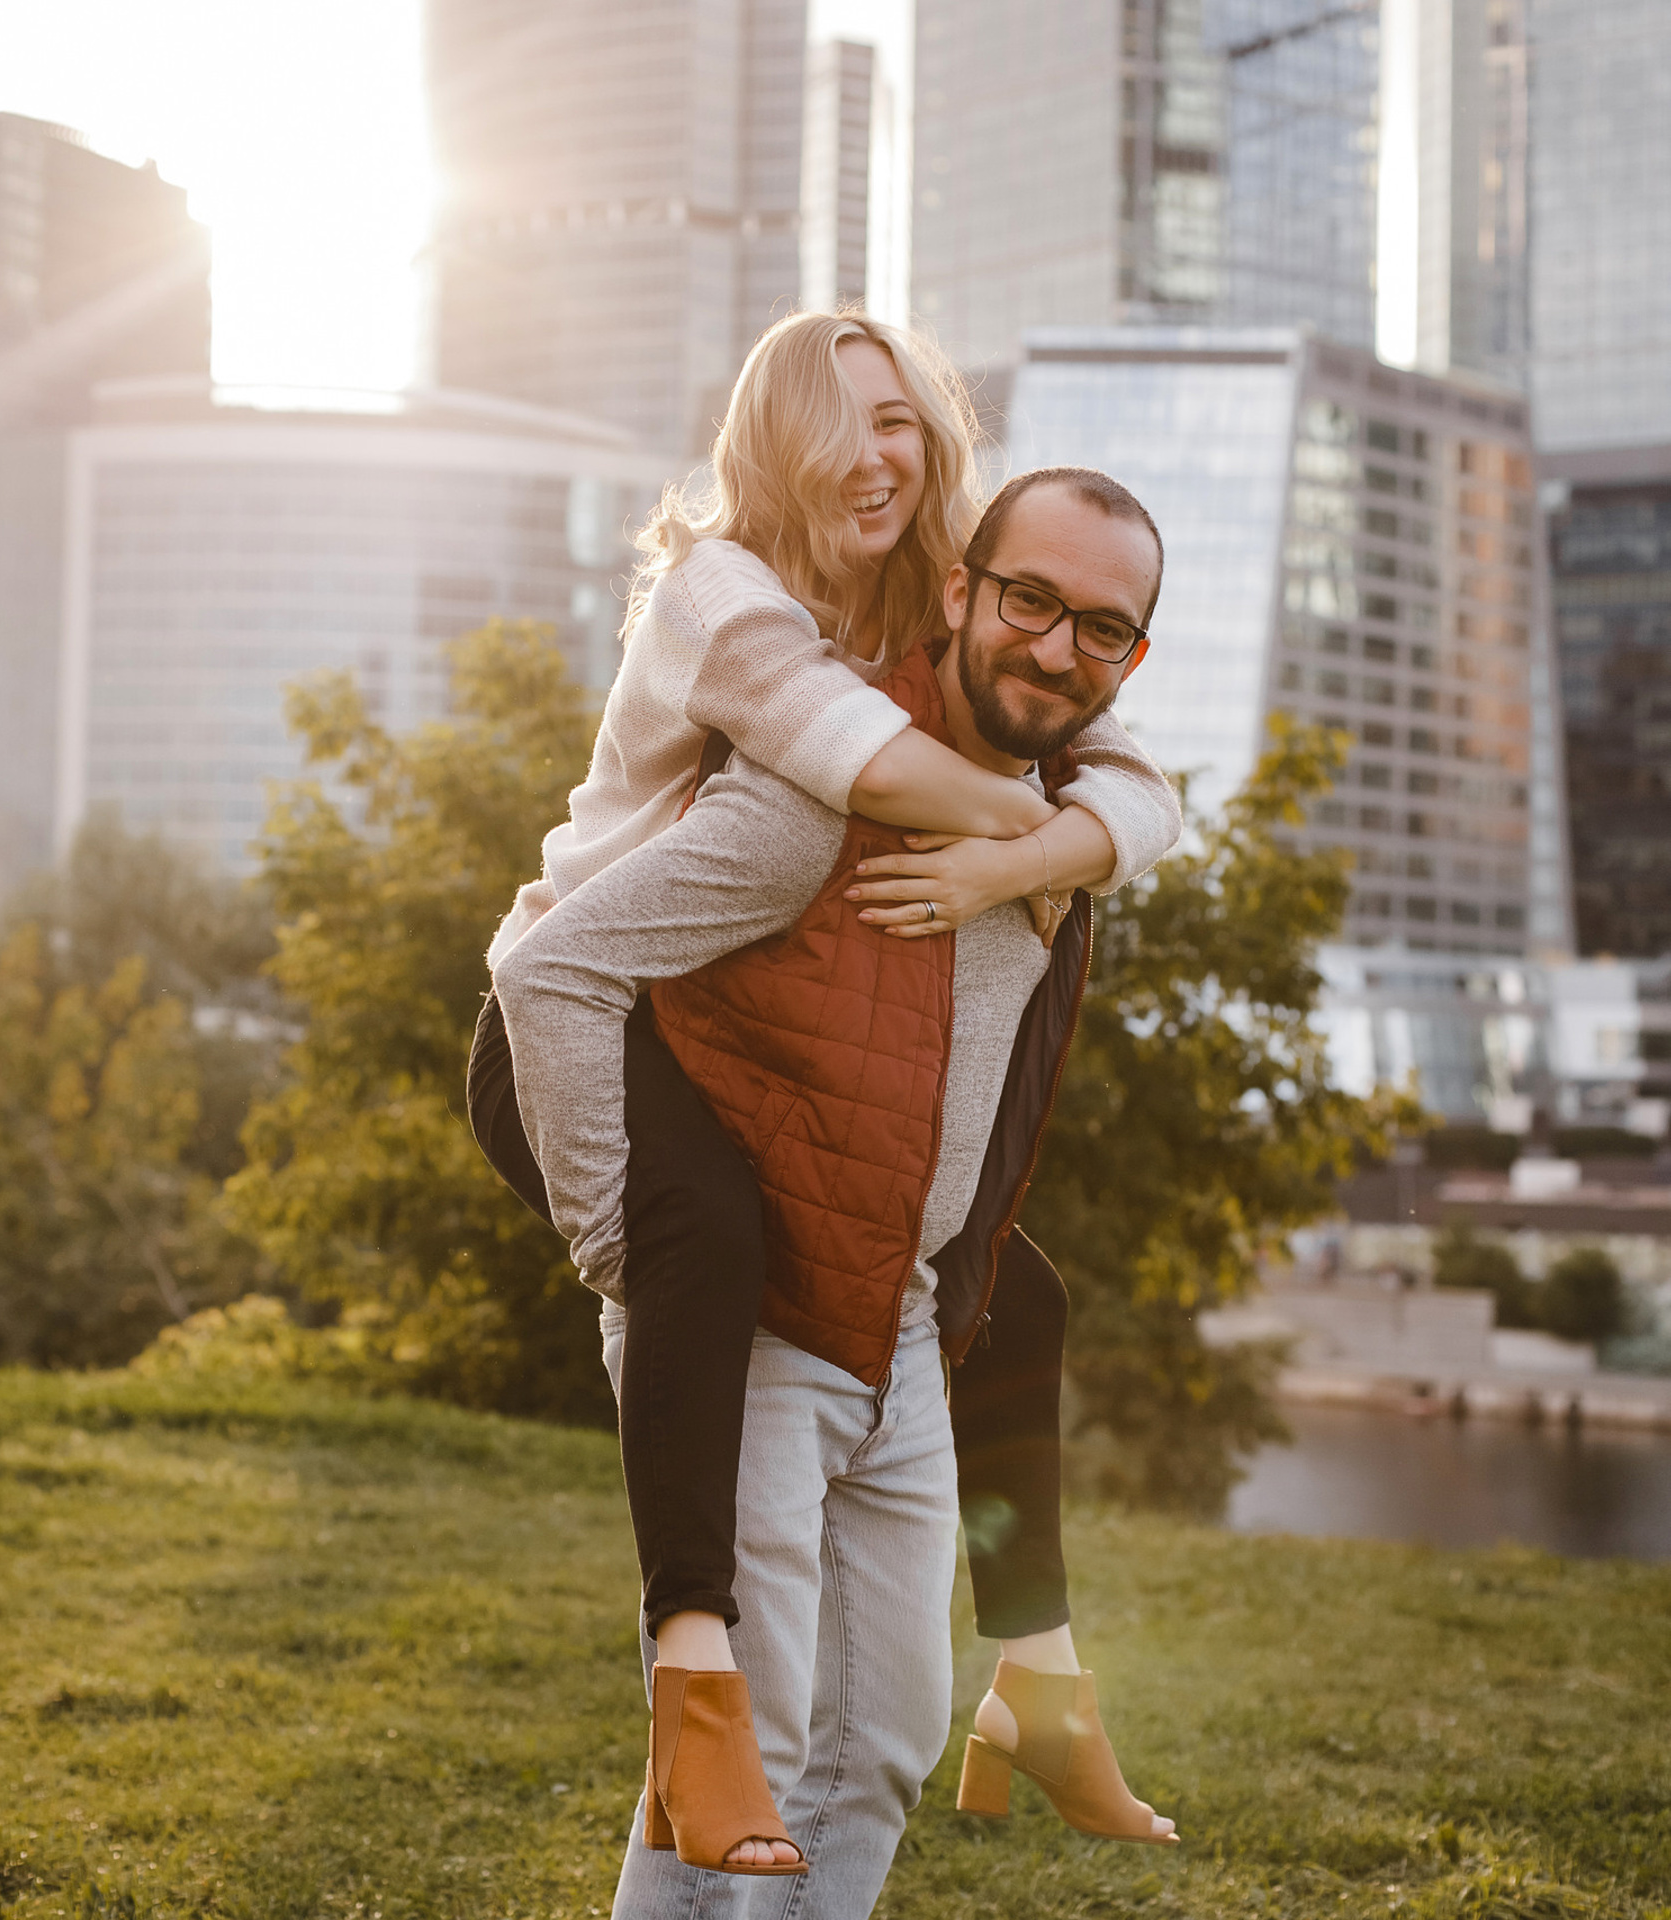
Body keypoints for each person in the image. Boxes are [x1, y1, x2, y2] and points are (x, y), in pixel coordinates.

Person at [468, 312, 1181, 1869]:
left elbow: (1141, 784)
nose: (872, 454)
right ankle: (699, 1657)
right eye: (836, 425)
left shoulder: (966, 684)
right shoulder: (745, 640)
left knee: (879, 1736)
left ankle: (1037, 1679)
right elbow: (843, 767)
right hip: (577, 1006)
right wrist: (637, 1280)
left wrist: (1058, 838)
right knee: (702, 1248)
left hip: (875, 1279)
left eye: (900, 424)